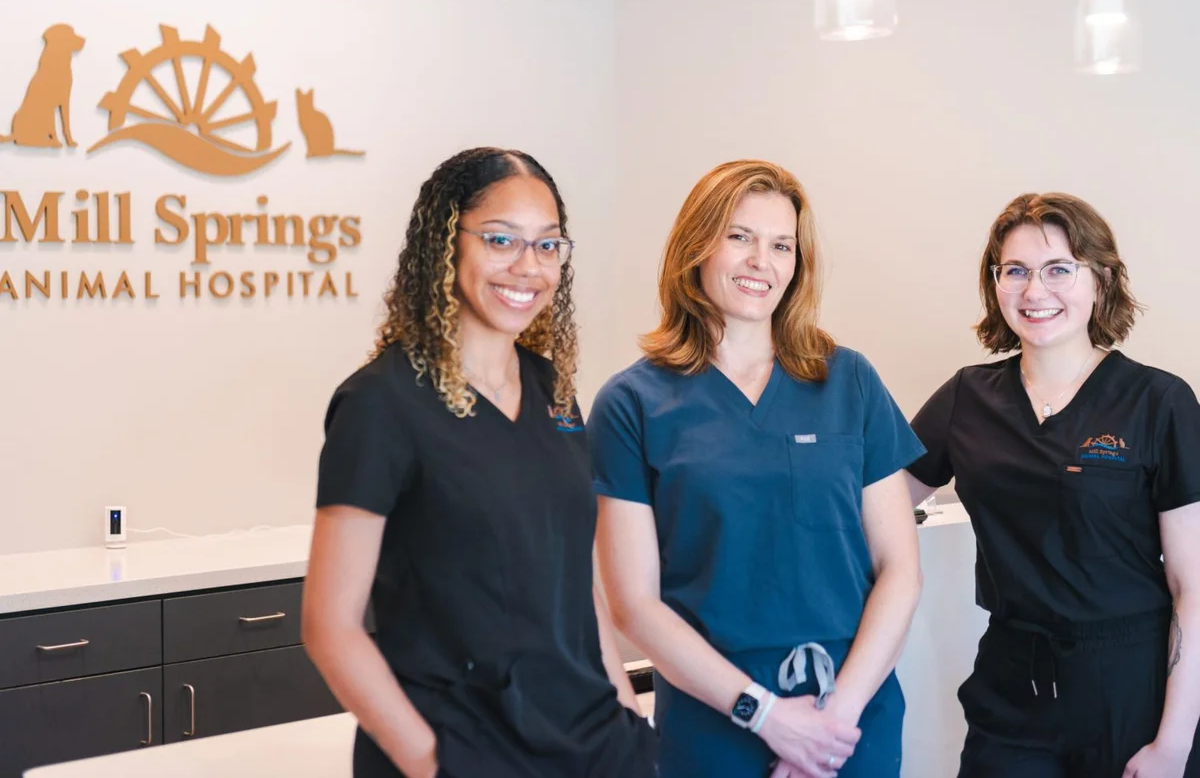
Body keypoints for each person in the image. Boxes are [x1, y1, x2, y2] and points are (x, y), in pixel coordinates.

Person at [300, 147, 657, 778]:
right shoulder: (381, 404)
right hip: (462, 748)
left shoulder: (553, 391)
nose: (528, 266)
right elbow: (330, 626)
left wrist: (624, 714)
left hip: (589, 743)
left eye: (547, 245)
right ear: (446, 244)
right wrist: (433, 763)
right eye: (500, 239)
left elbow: (574, 581)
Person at [588, 159, 925, 778]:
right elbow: (633, 603)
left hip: (851, 722)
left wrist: (833, 723)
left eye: (781, 245)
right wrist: (766, 716)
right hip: (715, 723)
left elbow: (899, 570)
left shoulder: (849, 380)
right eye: (739, 236)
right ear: (696, 246)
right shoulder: (632, 403)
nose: (760, 261)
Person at [904, 192, 1200, 778]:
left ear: (1101, 280)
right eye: (1015, 271)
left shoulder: (1159, 402)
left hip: (1130, 688)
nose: (1034, 291)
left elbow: (1192, 585)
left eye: (1059, 269)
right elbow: (873, 511)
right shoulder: (967, 398)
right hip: (1012, 682)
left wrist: (1173, 743)